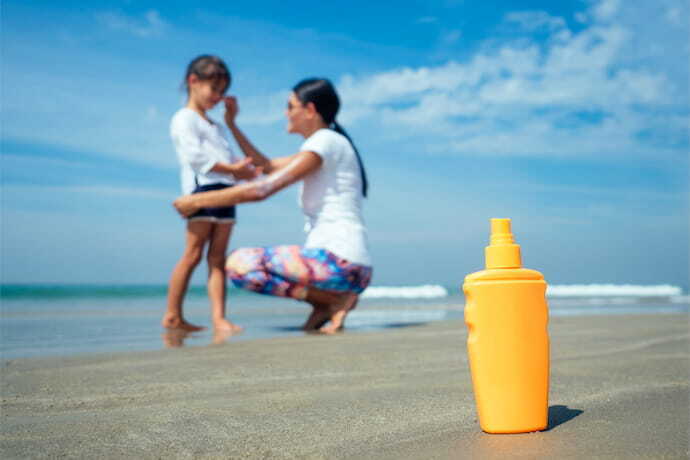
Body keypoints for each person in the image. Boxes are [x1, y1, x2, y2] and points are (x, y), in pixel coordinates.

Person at [173, 78, 372, 334]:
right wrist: (232, 124)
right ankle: (326, 303)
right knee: (244, 265)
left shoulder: (324, 141)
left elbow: (262, 188)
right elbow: (264, 167)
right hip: (351, 270)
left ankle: (333, 301)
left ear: (310, 110)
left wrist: (196, 200)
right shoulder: (326, 145)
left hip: (338, 263)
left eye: (290, 106)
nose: (285, 113)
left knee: (239, 264)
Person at [162, 55, 258, 333]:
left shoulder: (216, 125)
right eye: (213, 90)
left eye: (222, 92)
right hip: (201, 191)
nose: (217, 97)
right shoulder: (184, 118)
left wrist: (241, 171)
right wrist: (233, 169)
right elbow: (195, 157)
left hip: (227, 191)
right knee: (192, 254)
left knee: (218, 257)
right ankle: (172, 314)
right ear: (193, 81)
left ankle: (218, 318)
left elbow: (225, 157)